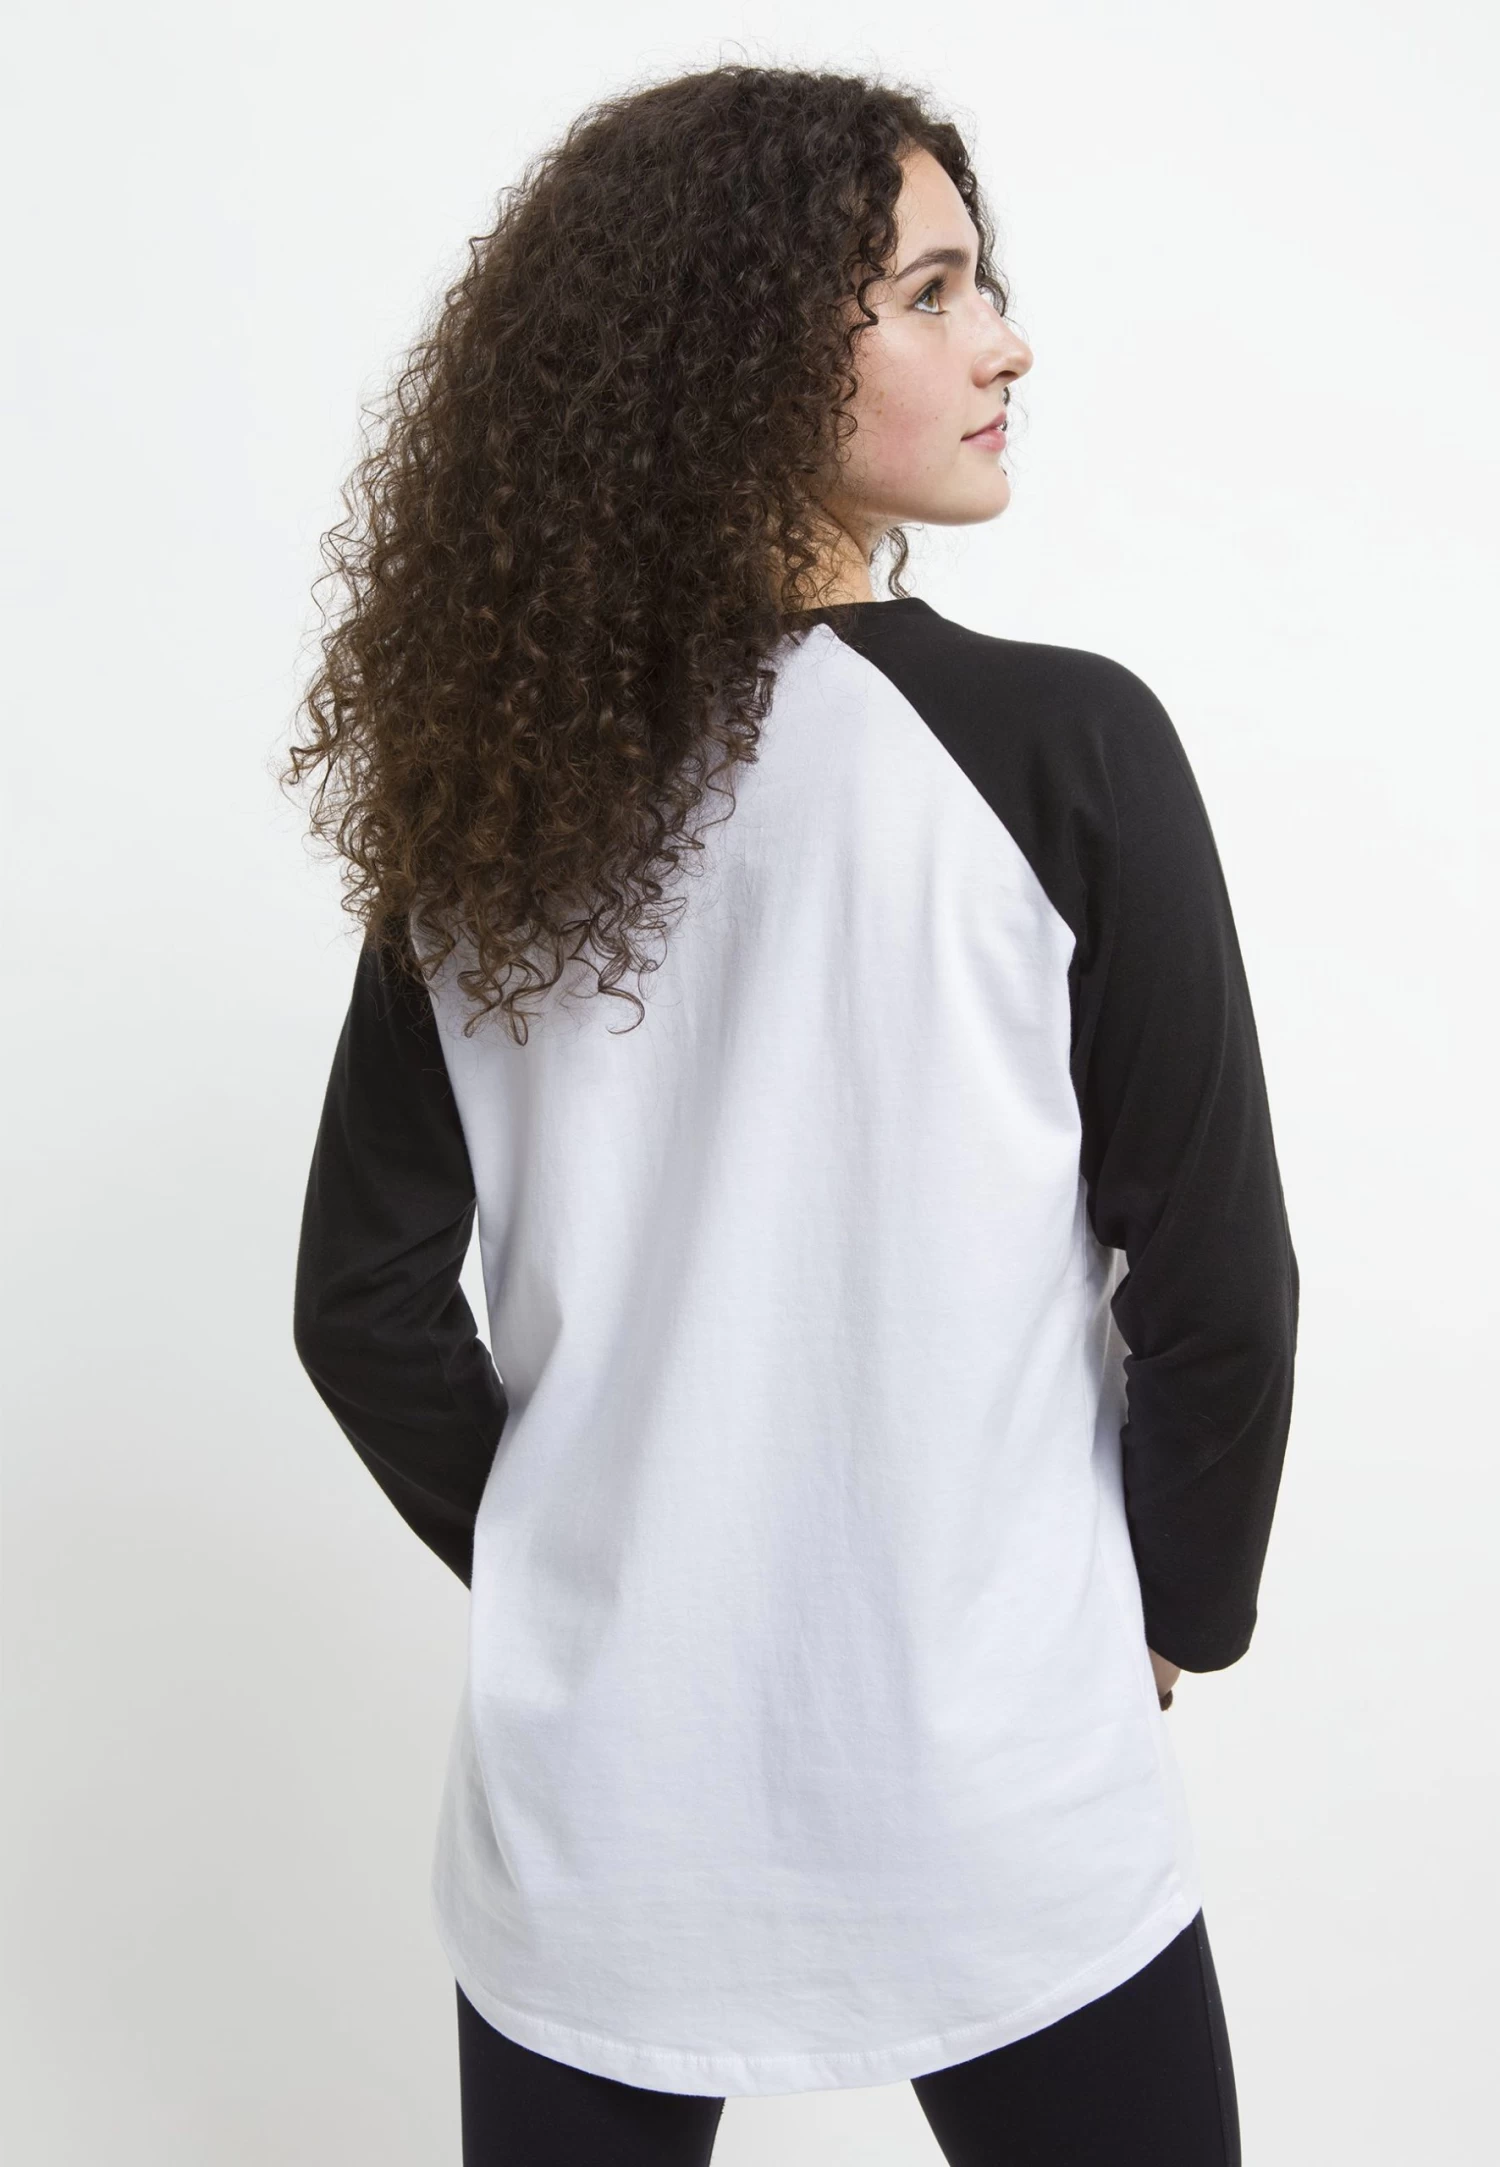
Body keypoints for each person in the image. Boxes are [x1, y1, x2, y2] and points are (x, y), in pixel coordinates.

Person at [286, 61, 1297, 2166]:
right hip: (998, 1776)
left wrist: (576, 1563)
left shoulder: (493, 815)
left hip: (600, 1812)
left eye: (979, 284)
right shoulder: (1066, 750)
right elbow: (1214, 1277)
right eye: (930, 292)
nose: (1004, 342)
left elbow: (359, 1304)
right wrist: (1171, 1612)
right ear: (741, 351)